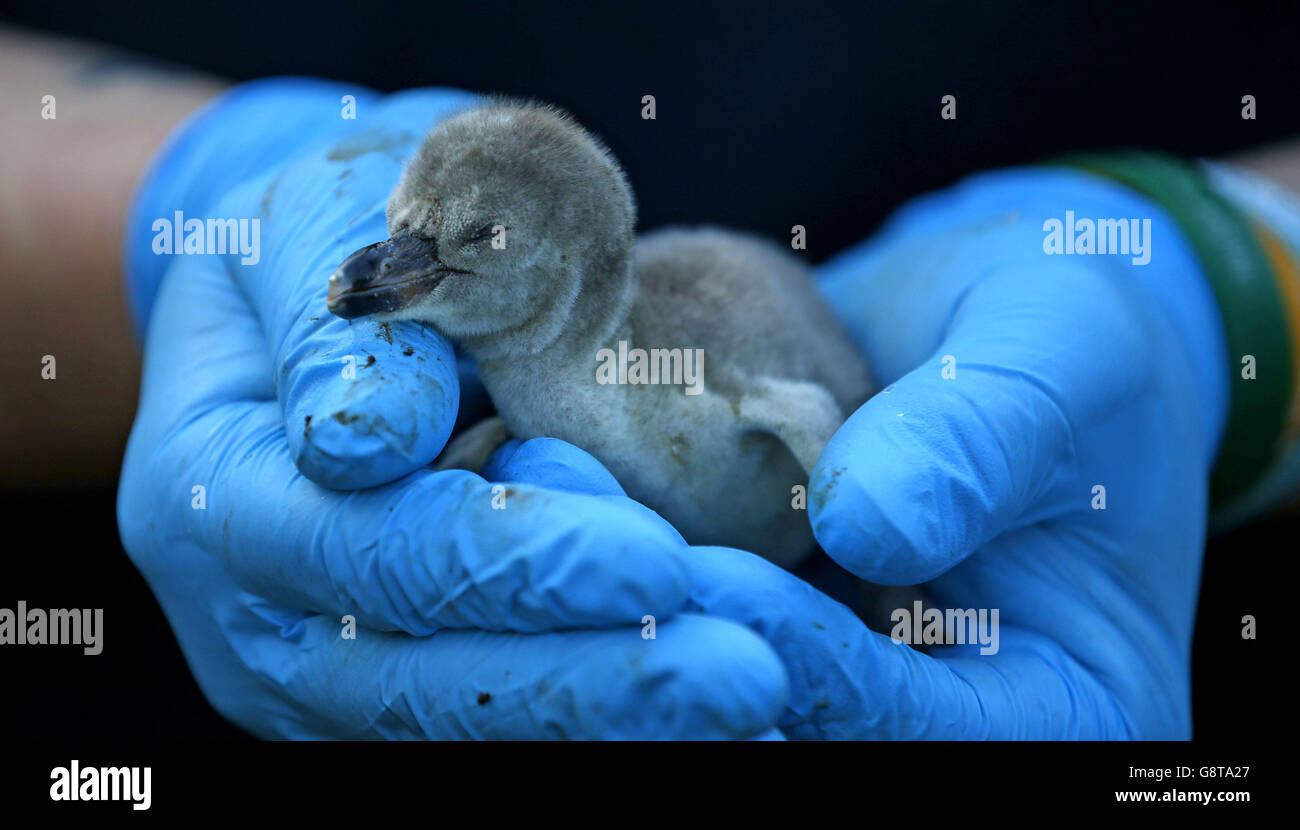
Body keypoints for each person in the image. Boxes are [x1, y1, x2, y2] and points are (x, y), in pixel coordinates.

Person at [4, 26, 1296, 738]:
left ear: (561, 254)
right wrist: (191, 217)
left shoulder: (696, 375)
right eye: (406, 231)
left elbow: (817, 430)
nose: (386, 276)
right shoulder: (494, 383)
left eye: (471, 248)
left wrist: (1239, 280)